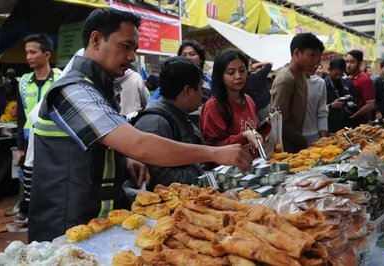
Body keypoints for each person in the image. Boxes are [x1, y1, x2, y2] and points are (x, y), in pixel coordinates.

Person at [29, 8, 252, 242]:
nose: (131, 57)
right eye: (125, 46)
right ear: (96, 40)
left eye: (134, 49)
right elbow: (140, 144)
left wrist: (124, 159)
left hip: (96, 225)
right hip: (64, 229)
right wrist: (215, 153)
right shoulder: (73, 91)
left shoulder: (100, 89)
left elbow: (97, 145)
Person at [134, 57, 206, 189]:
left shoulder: (178, 115)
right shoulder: (156, 123)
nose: (202, 93)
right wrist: (201, 175)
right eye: (200, 87)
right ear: (187, 91)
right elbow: (159, 178)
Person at [15, 34, 61, 224]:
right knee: (29, 177)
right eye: (27, 52)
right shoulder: (24, 81)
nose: (28, 57)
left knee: (51, 178)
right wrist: (19, 147)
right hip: (29, 138)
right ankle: (29, 211)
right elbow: (20, 117)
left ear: (47, 54)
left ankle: (50, 214)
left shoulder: (60, 78)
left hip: (53, 140)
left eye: (33, 52)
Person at [200, 49, 267, 158]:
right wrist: (244, 136)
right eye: (231, 72)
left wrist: (266, 127)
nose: (238, 76)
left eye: (242, 70)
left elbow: (253, 132)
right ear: (221, 76)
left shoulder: (248, 100)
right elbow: (213, 148)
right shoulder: (213, 107)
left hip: (254, 167)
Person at [270, 33, 325, 153]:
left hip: (295, 144)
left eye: (317, 57)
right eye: (311, 55)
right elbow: (279, 121)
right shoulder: (286, 79)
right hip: (285, 149)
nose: (315, 61)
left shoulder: (301, 75)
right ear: (296, 53)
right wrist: (303, 142)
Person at [148, 39, 211, 106]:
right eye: (184, 55)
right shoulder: (171, 81)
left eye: (192, 54)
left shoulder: (209, 82)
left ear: (201, 58)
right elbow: (151, 104)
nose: (188, 58)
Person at [325, 57, 358, 133]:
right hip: (330, 126)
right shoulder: (323, 85)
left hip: (347, 124)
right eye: (336, 74)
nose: (338, 77)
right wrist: (331, 106)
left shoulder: (348, 83)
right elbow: (317, 109)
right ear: (329, 70)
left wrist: (350, 107)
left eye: (340, 74)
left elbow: (354, 100)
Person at [345, 50, 375, 126]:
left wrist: (353, 117)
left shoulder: (365, 80)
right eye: (347, 62)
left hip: (359, 124)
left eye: (352, 62)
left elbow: (370, 105)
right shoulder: (348, 78)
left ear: (360, 63)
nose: (348, 65)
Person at [303, 67, 328, 146]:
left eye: (318, 61)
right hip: (291, 140)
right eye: (311, 55)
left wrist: (323, 141)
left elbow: (322, 113)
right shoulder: (287, 81)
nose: (315, 64)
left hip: (314, 138)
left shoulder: (319, 83)